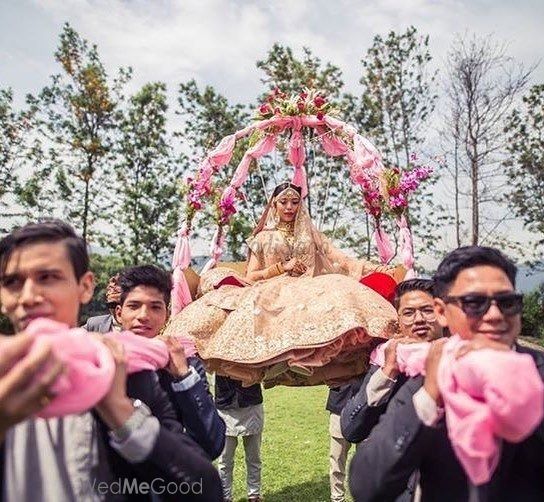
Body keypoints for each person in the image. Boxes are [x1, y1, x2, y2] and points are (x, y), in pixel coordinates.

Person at [0, 220, 222, 501]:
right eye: (11, 282)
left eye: (48, 277)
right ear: (118, 313)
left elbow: (204, 485)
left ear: (85, 287)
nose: (29, 297)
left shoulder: (128, 374)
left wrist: (120, 411)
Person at [349, 246, 544, 502]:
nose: (495, 315)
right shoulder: (430, 378)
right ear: (442, 312)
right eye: (475, 303)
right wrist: (429, 397)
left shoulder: (538, 371)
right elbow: (367, 486)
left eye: (507, 302)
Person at [164, 182, 400, 387]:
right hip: (271, 288)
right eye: (283, 202)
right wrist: (281, 268)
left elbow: (340, 259)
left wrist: (376, 269)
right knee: (255, 308)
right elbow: (253, 275)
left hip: (310, 287)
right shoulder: (262, 238)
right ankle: (271, 364)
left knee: (341, 295)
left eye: (294, 202)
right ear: (274, 205)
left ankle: (304, 361)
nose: (289, 207)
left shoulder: (310, 234)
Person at [113, 264, 225, 460]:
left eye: (155, 307)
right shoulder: (103, 363)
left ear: (166, 315)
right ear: (119, 313)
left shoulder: (185, 365)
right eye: (134, 306)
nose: (143, 316)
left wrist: (184, 377)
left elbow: (212, 444)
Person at [341, 278, 443, 444]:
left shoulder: (463, 355)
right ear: (400, 321)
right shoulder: (384, 358)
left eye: (427, 310)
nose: (419, 319)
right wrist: (388, 371)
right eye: (409, 313)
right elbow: (352, 430)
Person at [214, 375, 263, 502]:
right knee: (225, 459)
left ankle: (254, 495)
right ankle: (225, 497)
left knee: (254, 456)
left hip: (251, 401)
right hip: (225, 404)